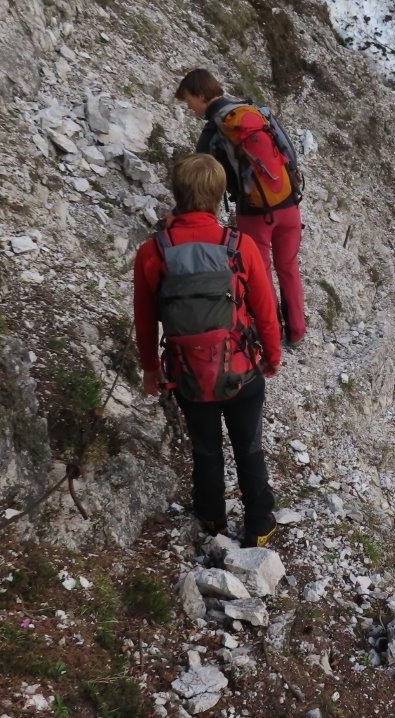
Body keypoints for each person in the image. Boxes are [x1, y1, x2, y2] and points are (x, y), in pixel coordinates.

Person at [132, 153, 283, 548]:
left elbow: (146, 321)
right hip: (241, 370)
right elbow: (266, 311)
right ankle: (259, 525)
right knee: (248, 447)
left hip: (187, 374)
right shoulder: (239, 246)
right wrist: (272, 356)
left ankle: (212, 518)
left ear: (176, 194)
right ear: (219, 196)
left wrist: (151, 370)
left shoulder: (153, 253)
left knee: (205, 448)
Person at [175, 68, 307, 346]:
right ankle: (297, 332)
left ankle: (273, 331)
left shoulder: (214, 131)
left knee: (261, 272)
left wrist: (180, 215)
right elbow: (289, 153)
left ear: (201, 95)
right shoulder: (256, 111)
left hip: (255, 213)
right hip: (289, 205)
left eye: (190, 102)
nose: (191, 109)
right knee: (289, 267)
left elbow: (200, 182)